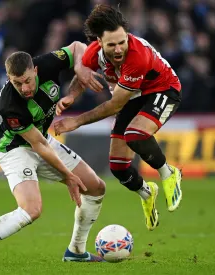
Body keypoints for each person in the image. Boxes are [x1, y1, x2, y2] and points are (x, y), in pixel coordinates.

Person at [0, 41, 107, 264]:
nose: (25, 88)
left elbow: (79, 46)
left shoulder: (48, 63)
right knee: (31, 209)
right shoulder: (8, 104)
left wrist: (79, 67)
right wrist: (67, 176)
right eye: (17, 83)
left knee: (96, 187)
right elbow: (38, 145)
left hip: (42, 139)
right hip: (15, 149)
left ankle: (76, 251)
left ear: (35, 70)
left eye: (28, 80)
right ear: (9, 79)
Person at [54, 4, 183, 231]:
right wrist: (71, 96)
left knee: (135, 135)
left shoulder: (137, 57)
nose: (118, 49)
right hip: (133, 96)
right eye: (111, 44)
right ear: (99, 42)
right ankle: (146, 193)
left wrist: (76, 120)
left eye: (122, 42)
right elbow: (83, 72)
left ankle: (168, 172)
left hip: (162, 90)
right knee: (118, 166)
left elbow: (115, 104)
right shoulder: (95, 52)